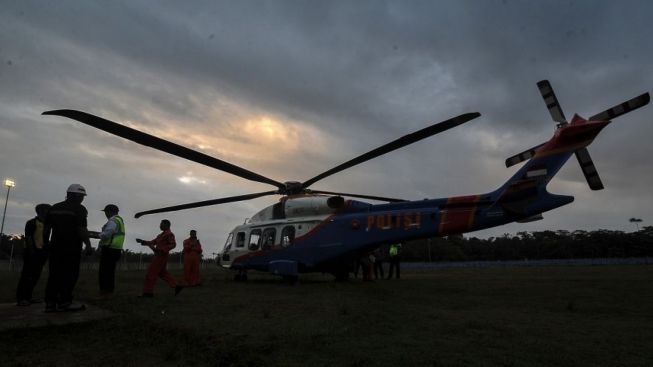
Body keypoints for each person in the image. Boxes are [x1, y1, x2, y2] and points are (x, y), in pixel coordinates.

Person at [43, 184, 93, 312]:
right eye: (82, 196)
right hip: (71, 248)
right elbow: (81, 229)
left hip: (55, 247)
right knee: (70, 274)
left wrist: (46, 244)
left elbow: (46, 229)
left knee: (54, 274)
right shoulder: (80, 209)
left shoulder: (54, 208)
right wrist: (88, 245)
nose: (83, 199)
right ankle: (65, 302)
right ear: (76, 195)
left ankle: (50, 303)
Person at [15, 203, 51, 306]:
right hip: (32, 253)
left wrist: (46, 252)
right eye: (47, 210)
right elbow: (29, 238)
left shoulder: (48, 225)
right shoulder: (31, 223)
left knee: (35, 276)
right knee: (26, 276)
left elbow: (46, 240)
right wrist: (32, 253)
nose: (49, 212)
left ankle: (28, 297)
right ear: (40, 211)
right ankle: (21, 298)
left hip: (42, 254)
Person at [137, 219, 183, 297]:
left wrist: (162, 249)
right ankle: (177, 285)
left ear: (167, 225)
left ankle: (148, 293)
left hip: (161, 255)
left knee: (151, 273)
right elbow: (153, 242)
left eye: (161, 224)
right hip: (159, 255)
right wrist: (143, 241)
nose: (160, 226)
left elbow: (173, 244)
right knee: (162, 273)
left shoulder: (169, 234)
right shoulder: (161, 235)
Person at [96, 204, 125, 298]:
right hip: (116, 249)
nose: (105, 214)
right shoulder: (119, 220)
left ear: (110, 211)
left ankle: (104, 292)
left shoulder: (113, 221)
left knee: (104, 272)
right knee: (109, 272)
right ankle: (108, 292)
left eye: (106, 212)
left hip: (109, 249)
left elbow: (107, 233)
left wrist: (98, 235)